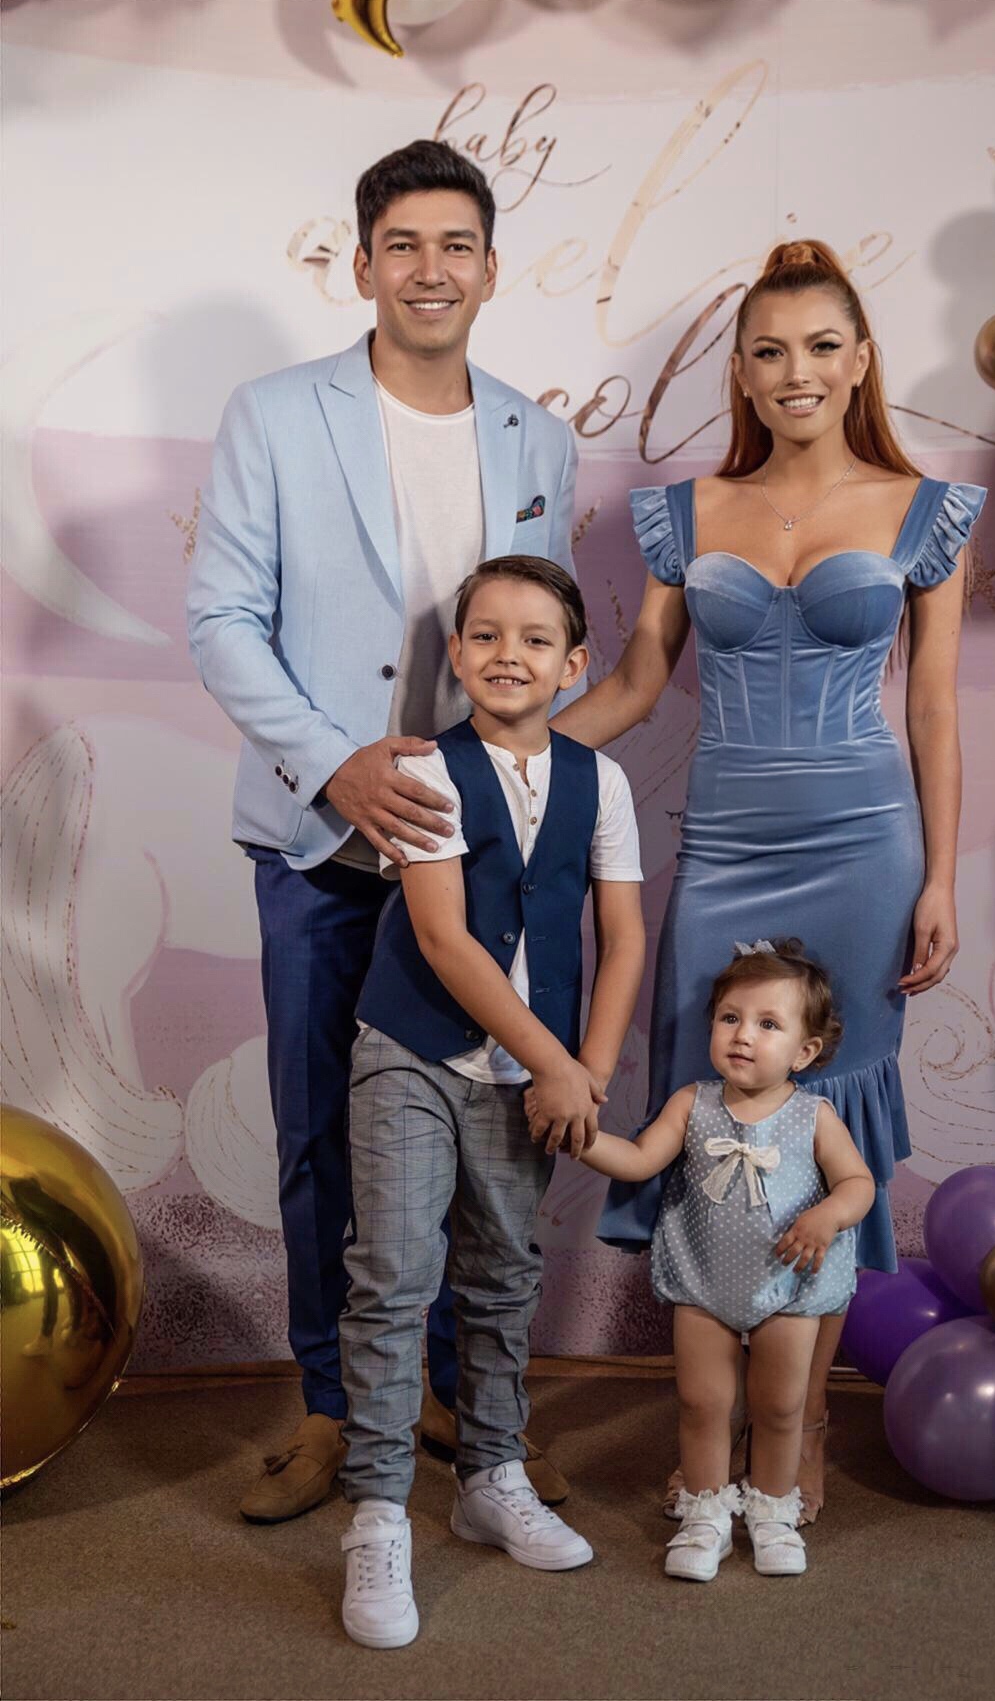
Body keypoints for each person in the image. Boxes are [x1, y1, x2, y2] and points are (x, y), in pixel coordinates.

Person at [552, 238, 987, 1523]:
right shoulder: (686, 514)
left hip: (866, 849)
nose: (795, 370)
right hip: (727, 848)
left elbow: (934, 709)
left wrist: (940, 878)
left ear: (859, 361)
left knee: (827, 1122)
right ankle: (711, 1433)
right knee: (713, 1115)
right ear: (739, 373)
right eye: (768, 351)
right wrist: (499, 752)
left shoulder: (924, 511)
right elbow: (635, 686)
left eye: (819, 346)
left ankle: (792, 1444)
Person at [186, 139, 580, 1523]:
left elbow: (542, 635)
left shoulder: (540, 440)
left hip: (474, 862)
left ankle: (445, 1397)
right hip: (320, 842)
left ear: (490, 267)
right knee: (319, 1137)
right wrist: (331, 764)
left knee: (474, 1134)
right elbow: (221, 619)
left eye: (454, 244)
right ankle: (330, 1401)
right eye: (401, 244)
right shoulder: (273, 414)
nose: (429, 269)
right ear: (361, 265)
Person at [338, 556, 645, 1649]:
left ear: (574, 663)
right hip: (413, 1053)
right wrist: (553, 1063)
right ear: (457, 655)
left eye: (534, 638)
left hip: (534, 1075)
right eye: (483, 634)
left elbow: (622, 939)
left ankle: (490, 1475)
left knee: (505, 1271)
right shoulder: (426, 769)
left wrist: (585, 1071)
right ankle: (378, 1512)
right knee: (393, 1275)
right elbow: (441, 937)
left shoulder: (600, 783)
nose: (507, 654)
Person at [579, 941, 873, 1579]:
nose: (743, 1035)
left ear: (803, 1052)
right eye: (730, 1018)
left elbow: (858, 1184)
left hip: (787, 1285)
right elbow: (639, 1160)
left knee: (780, 1407)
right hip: (705, 1279)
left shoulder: (814, 1115)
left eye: (768, 1024)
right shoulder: (693, 1103)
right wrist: (581, 1136)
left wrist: (827, 1215)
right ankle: (705, 1516)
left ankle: (771, 1511)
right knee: (702, 1402)